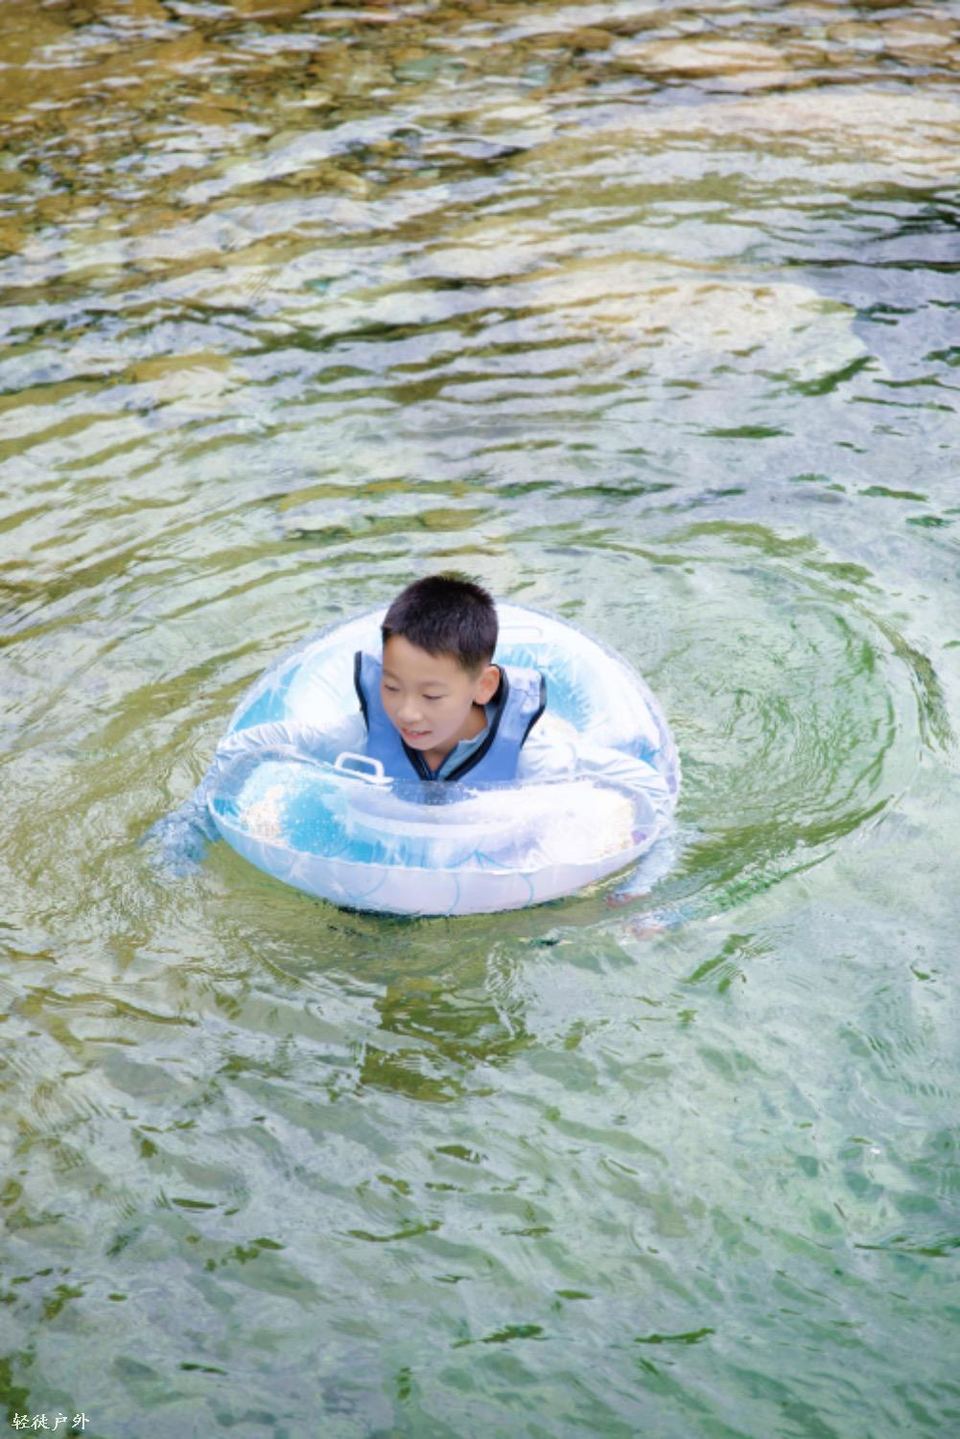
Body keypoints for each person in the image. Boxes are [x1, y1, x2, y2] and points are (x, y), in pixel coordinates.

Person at [148, 574, 673, 869]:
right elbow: (259, 741)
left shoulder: (532, 754)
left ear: (483, 687)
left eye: (432, 695)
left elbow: (640, 782)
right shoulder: (362, 734)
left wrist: (645, 874)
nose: (407, 712)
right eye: (392, 687)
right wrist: (196, 820)